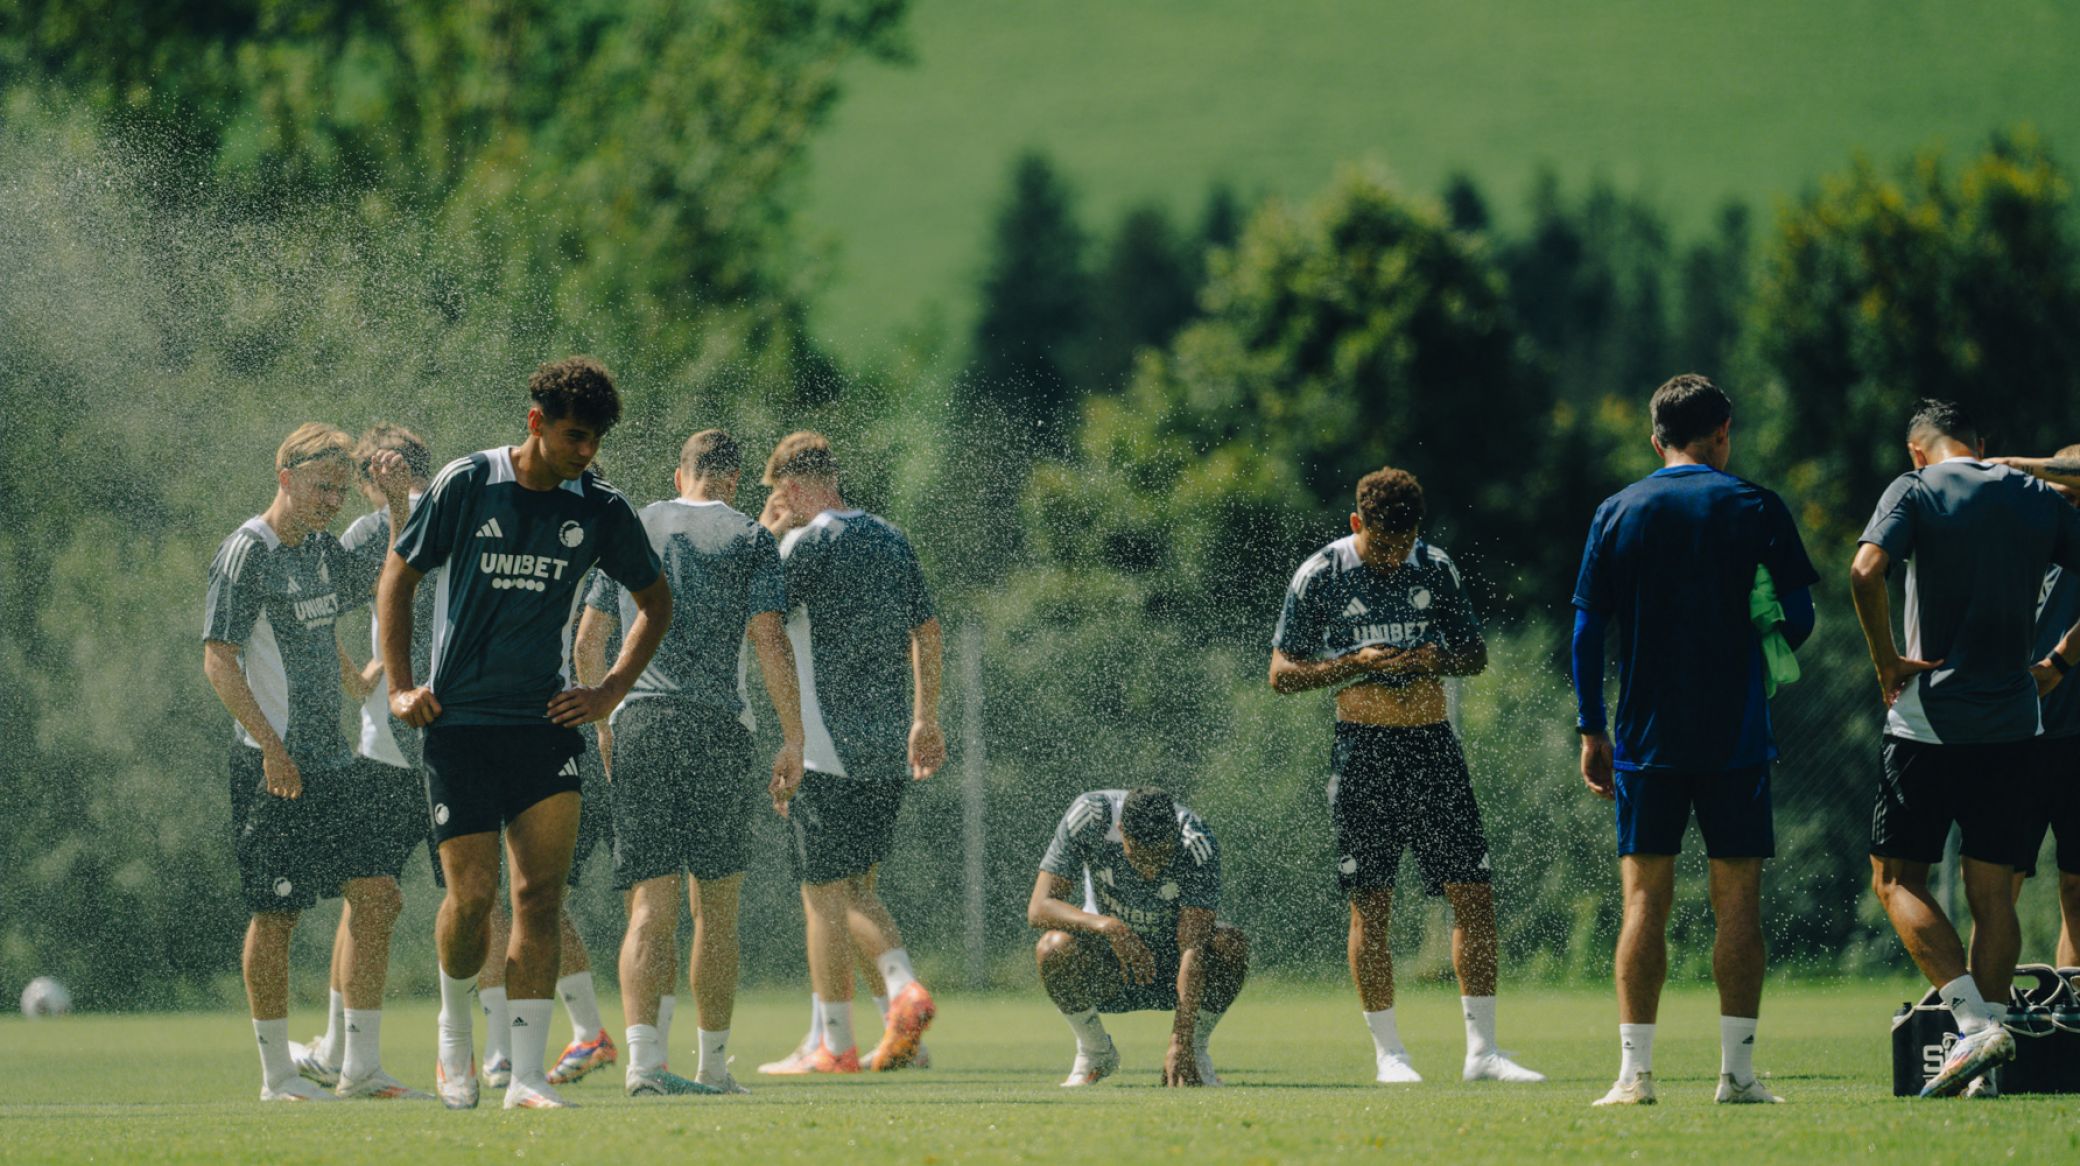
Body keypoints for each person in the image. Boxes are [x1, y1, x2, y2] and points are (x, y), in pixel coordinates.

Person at [378, 357, 670, 1110]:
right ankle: (453, 1032)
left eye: (597, 439)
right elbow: (399, 579)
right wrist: (404, 685)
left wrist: (608, 691)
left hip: (542, 725)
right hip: (458, 726)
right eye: (576, 435)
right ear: (536, 422)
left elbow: (656, 603)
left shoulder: (601, 507)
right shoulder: (467, 483)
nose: (587, 451)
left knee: (539, 899)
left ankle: (528, 1077)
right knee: (473, 898)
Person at [1571, 374, 1818, 1107]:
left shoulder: (1617, 510)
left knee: (1645, 902)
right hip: (1736, 737)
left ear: (1656, 439)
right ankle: (1737, 1074)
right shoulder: (1756, 505)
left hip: (1645, 739)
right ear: (1722, 432)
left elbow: (1586, 630)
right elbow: (1798, 619)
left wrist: (1592, 728)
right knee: (1738, 904)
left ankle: (1634, 1076)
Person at [1270, 465, 1543, 1087]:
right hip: (1363, 752)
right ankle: (1390, 1054)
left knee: (1472, 893)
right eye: (1382, 546)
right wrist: (1348, 664)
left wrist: (1434, 659)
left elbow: (1473, 654)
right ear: (1356, 524)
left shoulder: (1435, 566)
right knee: (1373, 904)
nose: (1395, 558)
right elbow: (1281, 673)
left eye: (1405, 544)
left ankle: (1483, 1052)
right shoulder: (1320, 575)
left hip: (1433, 747)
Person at [1852, 401, 2080, 1098]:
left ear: (1917, 450)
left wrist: (1887, 660)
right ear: (1982, 444)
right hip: (2016, 725)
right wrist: (2063, 661)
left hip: (1929, 723)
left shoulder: (1914, 489)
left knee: (1895, 880)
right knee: (1993, 898)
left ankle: (1974, 1026)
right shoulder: (2038, 495)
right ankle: (1986, 1061)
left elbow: (1864, 573)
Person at [574, 428, 806, 1096]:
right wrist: (793, 738)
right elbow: (767, 638)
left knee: (650, 906)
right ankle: (711, 1067)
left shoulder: (630, 524)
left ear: (681, 476)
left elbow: (589, 642)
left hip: (640, 723)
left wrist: (605, 728)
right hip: (718, 729)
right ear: (733, 481)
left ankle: (645, 1066)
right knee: (717, 910)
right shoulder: (752, 538)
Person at [202, 424, 412, 1101]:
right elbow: (220, 660)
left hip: (334, 761)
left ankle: (360, 1067)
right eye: (322, 487)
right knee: (278, 916)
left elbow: (375, 579)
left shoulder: (322, 549)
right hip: (276, 767)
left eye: (342, 491)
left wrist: (398, 504)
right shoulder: (247, 552)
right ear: (284, 475)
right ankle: (277, 1076)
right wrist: (271, 746)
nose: (331, 501)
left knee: (378, 896)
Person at [754, 431, 946, 1075]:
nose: (777, 502)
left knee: (825, 898)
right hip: (888, 745)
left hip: (824, 748)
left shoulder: (805, 544)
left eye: (777, 491)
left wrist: (764, 533)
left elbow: (755, 612)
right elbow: (927, 630)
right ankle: (897, 1040)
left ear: (794, 483)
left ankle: (852, 1030)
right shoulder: (892, 537)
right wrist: (925, 718)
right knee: (858, 887)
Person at [284, 424, 441, 1101]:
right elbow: (315, 614)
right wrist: (355, 674)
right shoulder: (368, 532)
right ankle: (342, 1051)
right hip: (386, 748)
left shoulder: (444, 523)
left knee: (458, 901)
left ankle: (474, 1054)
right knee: (369, 900)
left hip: (438, 743)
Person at [1028, 788, 1247, 1087]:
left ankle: (1195, 1051)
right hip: (1111, 967)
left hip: (1173, 973)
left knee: (1229, 943)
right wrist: (1107, 926)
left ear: (1173, 834)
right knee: (1053, 948)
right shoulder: (1090, 817)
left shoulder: (1195, 841)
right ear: (1120, 831)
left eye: (1160, 855)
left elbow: (1192, 948)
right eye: (1140, 855)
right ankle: (1094, 1051)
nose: (1150, 869)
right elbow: (1040, 908)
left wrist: (1180, 1042)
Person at [2014, 445, 2080, 969]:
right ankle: (1983, 1021)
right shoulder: (2026, 541)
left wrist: (2057, 664)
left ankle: (2071, 1024)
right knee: (1998, 886)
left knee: (2076, 891)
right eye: (2061, 500)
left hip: (2076, 738)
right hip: (2019, 738)